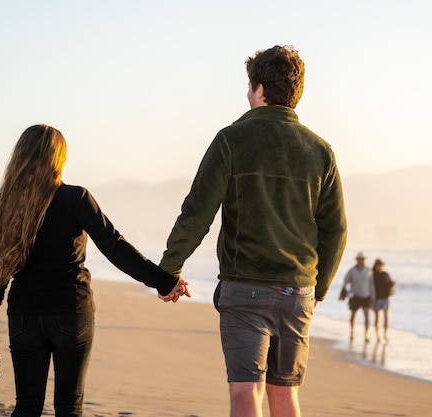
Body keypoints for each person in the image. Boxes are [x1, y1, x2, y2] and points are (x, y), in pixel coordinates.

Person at [159, 45, 347, 417]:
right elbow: (335, 230)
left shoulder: (231, 139)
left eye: (249, 87)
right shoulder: (320, 150)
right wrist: (318, 287)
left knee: (247, 392)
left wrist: (168, 270)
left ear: (259, 90)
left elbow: (197, 213)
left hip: (246, 286)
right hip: (298, 291)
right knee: (285, 395)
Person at [0, 124, 189, 417]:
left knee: (26, 406)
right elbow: (115, 248)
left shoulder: (4, 205)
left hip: (25, 316)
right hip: (71, 313)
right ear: (58, 159)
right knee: (69, 407)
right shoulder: (75, 199)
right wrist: (163, 281)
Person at [339, 251, 374, 342]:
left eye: (363, 259)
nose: (362, 261)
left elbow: (371, 284)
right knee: (353, 315)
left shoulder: (368, 271)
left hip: (366, 296)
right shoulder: (352, 270)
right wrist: (344, 290)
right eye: (360, 259)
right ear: (357, 260)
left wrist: (373, 296)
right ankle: (352, 333)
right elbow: (345, 281)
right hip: (354, 296)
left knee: (366, 315)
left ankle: (367, 335)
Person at [372, 258, 395, 342]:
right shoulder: (372, 275)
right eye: (379, 265)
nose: (380, 266)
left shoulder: (385, 274)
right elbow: (371, 287)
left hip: (386, 298)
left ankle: (385, 334)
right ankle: (378, 336)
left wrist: (392, 284)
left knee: (386, 317)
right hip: (377, 299)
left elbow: (389, 284)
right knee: (377, 318)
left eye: (381, 265)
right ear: (375, 265)